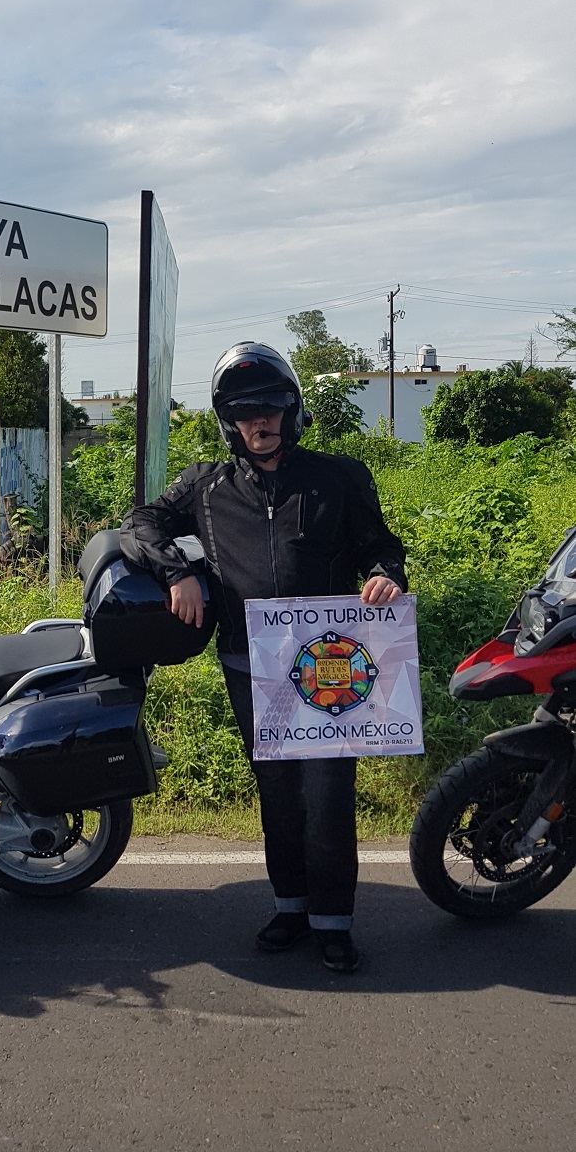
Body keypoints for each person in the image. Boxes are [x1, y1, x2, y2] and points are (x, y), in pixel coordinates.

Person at [121, 342, 407, 973]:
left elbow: (381, 548)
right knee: (276, 786)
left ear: (292, 410)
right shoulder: (206, 485)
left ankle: (334, 921)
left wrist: (386, 575)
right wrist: (177, 573)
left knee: (328, 789)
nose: (261, 421)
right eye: (246, 411)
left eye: (272, 407)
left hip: (331, 661)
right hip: (250, 664)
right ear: (228, 419)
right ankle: (290, 906)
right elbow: (140, 522)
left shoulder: (340, 478)